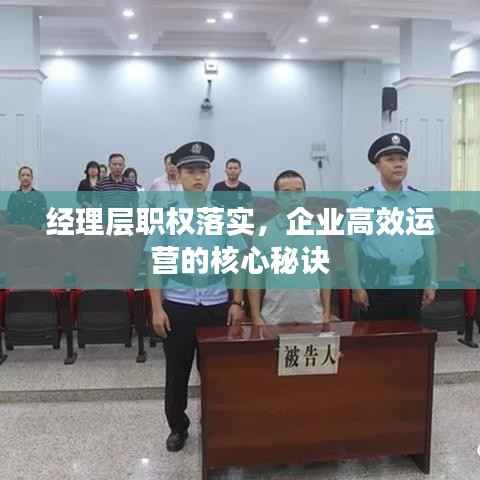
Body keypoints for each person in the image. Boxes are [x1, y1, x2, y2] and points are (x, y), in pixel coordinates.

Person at [145, 142, 246, 453]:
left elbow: (237, 262)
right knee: (177, 373)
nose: (197, 177)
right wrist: (157, 308)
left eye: (202, 170)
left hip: (216, 304)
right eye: (190, 171)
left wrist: (237, 302)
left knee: (217, 373)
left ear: (209, 175)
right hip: (179, 304)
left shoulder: (224, 216)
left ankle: (218, 424)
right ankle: (178, 427)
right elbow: (154, 264)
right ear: (178, 175)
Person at [344, 133, 438, 322]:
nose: (398, 164)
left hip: (414, 284)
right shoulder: (362, 201)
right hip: (377, 286)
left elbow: (429, 243)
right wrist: (356, 286)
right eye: (390, 159)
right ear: (377, 165)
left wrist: (432, 282)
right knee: (377, 338)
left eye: (402, 159)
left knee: (413, 337)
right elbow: (351, 245)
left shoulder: (420, 200)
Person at [248, 170, 333, 325]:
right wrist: (255, 317)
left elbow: (324, 274)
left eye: (298, 192)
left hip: (313, 318)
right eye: (286, 193)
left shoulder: (318, 230)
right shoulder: (263, 232)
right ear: (277, 198)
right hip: (273, 319)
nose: (293, 198)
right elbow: (254, 277)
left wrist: (327, 312)